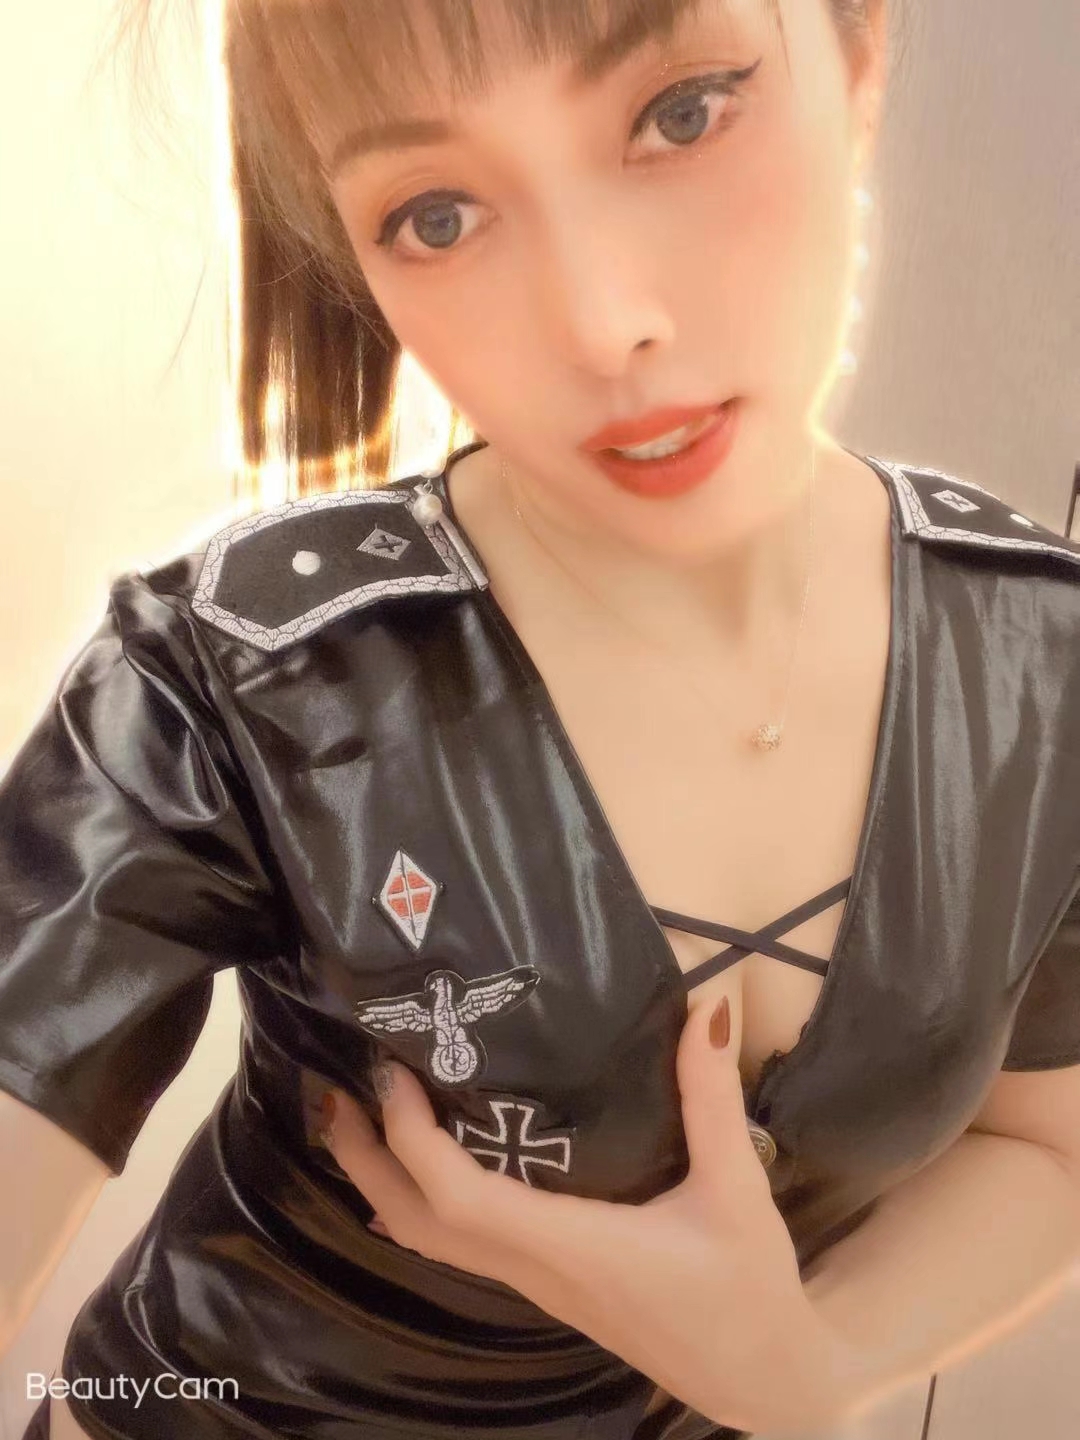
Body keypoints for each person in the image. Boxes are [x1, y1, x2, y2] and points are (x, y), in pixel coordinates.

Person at [4, 0, 1080, 1437]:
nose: (603, 322)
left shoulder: (1043, 662)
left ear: (861, 57)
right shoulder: (242, 683)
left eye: (683, 113)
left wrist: (810, 1366)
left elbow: (1048, 1142)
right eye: (437, 216)